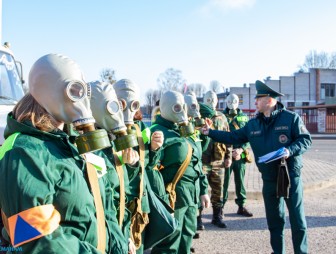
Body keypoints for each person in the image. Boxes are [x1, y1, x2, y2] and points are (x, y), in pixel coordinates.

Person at [0, 54, 125, 253]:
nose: (81, 99)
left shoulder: (71, 144)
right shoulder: (24, 152)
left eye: (83, 91)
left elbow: (103, 205)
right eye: (75, 91)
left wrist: (121, 244)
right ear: (49, 91)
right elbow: (35, 238)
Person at [201, 80, 312, 254]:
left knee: (298, 221)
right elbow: (234, 137)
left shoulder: (291, 119)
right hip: (269, 178)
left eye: (257, 99)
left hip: (290, 177)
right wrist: (210, 132)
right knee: (275, 221)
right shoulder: (254, 124)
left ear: (269, 100)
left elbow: (306, 140)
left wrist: (290, 151)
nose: (254, 102)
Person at [150, 90, 210, 254]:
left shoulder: (185, 130)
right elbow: (149, 169)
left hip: (191, 196)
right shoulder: (155, 132)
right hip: (171, 197)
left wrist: (203, 190)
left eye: (182, 106)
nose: (181, 110)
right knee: (169, 242)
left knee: (187, 235)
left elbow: (197, 163)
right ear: (165, 107)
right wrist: (160, 200)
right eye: (176, 107)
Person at [114, 79, 164, 254]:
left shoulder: (141, 129)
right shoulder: (105, 130)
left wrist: (154, 149)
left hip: (140, 204)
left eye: (133, 104)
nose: (128, 109)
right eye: (121, 104)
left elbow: (148, 165)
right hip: (119, 206)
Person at [199, 90, 232, 228]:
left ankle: (217, 216)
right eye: (208, 99)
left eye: (213, 99)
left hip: (218, 160)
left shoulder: (222, 117)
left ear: (217, 101)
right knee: (200, 190)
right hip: (203, 160)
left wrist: (228, 156)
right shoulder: (198, 116)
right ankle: (197, 218)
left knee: (218, 190)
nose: (211, 101)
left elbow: (228, 137)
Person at [183, 92, 210, 244]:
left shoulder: (192, 128)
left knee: (188, 223)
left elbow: (199, 153)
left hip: (193, 184)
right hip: (180, 186)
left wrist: (205, 135)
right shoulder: (178, 128)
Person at [222, 93, 253, 217]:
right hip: (225, 155)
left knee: (240, 181)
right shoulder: (221, 117)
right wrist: (227, 152)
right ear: (226, 102)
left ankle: (241, 206)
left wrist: (241, 149)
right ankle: (220, 207)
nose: (232, 102)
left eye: (234, 100)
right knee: (224, 182)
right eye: (229, 100)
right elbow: (219, 136)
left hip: (240, 155)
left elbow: (249, 136)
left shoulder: (244, 118)